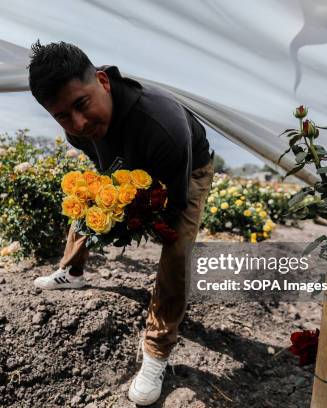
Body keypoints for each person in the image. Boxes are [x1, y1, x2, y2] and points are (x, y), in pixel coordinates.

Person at [28, 40, 214, 406]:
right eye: (63, 116)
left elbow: (172, 207)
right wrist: (107, 203)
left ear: (103, 81)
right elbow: (100, 168)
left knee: (176, 250)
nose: (77, 123)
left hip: (187, 169)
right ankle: (73, 272)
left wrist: (133, 217)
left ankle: (157, 351)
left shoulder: (164, 126)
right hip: (128, 159)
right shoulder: (77, 125)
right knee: (87, 199)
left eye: (81, 105)